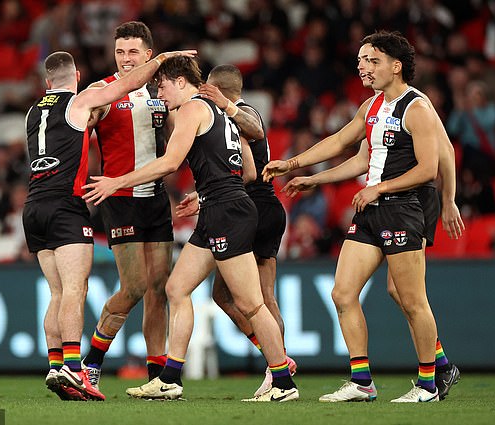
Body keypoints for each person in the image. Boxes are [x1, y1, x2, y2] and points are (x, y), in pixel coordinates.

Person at [83, 56, 299, 402]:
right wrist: (205, 194)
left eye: (162, 85)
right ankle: (170, 378)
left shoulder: (192, 110)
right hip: (220, 208)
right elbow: (247, 170)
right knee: (176, 288)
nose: (159, 92)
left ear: (181, 81)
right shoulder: (223, 113)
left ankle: (283, 381)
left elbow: (169, 163)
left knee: (251, 304)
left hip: (227, 213)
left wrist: (117, 182)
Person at [274, 40, 464, 401]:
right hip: (372, 210)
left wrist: (439, 198)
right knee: (342, 292)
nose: (362, 66)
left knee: (410, 298)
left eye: (371, 60)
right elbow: (345, 147)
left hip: (404, 207)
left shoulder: (417, 108)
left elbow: (430, 166)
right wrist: (300, 168)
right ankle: (362, 381)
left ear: (395, 66)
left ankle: (429, 383)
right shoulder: (372, 106)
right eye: (360, 59)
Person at [23, 48, 195, 401]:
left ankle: (57, 367)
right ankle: (75, 367)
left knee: (56, 293)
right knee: (74, 290)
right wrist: (159, 61)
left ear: (46, 82)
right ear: (77, 76)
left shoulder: (32, 113)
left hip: (33, 206)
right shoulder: (81, 101)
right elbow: (121, 87)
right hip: (66, 206)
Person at [176, 64, 297, 397]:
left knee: (258, 299)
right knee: (224, 295)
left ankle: (279, 369)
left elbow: (248, 172)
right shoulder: (241, 113)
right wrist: (203, 197)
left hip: (254, 207)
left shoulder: (236, 114)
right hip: (260, 207)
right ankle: (277, 361)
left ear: (215, 90)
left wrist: (225, 106)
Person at [80, 21, 173, 390]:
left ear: (149, 55)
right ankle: (92, 361)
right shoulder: (101, 92)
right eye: (120, 52)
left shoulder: (160, 91)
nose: (125, 59)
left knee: (158, 288)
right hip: (119, 200)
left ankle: (156, 377)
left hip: (156, 198)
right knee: (133, 286)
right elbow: (78, 131)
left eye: (133, 52)